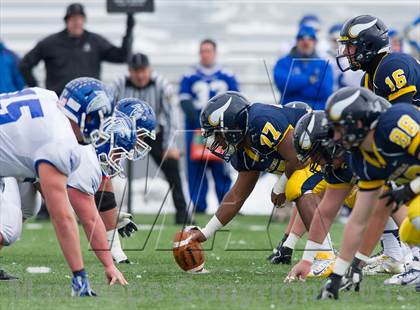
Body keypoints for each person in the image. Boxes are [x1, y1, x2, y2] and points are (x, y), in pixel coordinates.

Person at [0, 78, 128, 294]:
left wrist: (108, 263)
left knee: (29, 204)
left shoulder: (49, 96)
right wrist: (79, 274)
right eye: (98, 116)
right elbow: (64, 216)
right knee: (8, 228)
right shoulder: (60, 141)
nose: (100, 124)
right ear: (81, 112)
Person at [188, 92, 335, 274]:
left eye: (217, 134)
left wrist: (279, 186)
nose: (217, 142)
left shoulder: (260, 121)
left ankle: (326, 256)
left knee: (296, 186)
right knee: (298, 187)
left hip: (332, 156)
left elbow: (299, 158)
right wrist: (206, 232)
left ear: (230, 125)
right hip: (319, 164)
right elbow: (237, 196)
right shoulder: (242, 148)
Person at [317, 87, 420, 299]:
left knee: (417, 216)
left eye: (340, 128)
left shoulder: (395, 124)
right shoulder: (362, 158)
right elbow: (359, 219)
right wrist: (341, 273)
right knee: (409, 231)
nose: (336, 136)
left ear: (359, 122)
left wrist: (410, 189)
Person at [111, 53, 194, 225]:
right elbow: (109, 108)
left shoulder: (161, 85)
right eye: (136, 71)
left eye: (143, 71)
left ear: (149, 70)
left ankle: (182, 213)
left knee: (172, 169)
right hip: (125, 132)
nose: (140, 75)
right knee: (105, 167)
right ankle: (98, 209)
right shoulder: (119, 83)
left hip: (154, 132)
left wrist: (168, 145)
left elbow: (172, 116)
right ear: (129, 71)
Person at [19, 2, 134, 95]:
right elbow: (25, 65)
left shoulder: (95, 41)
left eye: (80, 19)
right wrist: (38, 90)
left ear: (84, 21)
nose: (77, 22)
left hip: (90, 101)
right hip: (60, 102)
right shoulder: (50, 43)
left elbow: (122, 57)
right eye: (73, 19)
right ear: (67, 21)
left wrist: (129, 29)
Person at [179, 39, 239, 213]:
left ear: (215, 53)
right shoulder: (190, 76)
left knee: (222, 167)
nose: (205, 54)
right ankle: (198, 204)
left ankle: (227, 204)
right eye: (203, 51)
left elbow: (236, 100)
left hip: (221, 131)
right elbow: (184, 101)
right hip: (196, 128)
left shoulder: (227, 75)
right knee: (196, 168)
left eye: (209, 51)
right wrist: (202, 122)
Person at [336, 15, 419, 106]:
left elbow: (401, 115)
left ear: (368, 45)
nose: (344, 52)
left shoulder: (392, 67)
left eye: (350, 45)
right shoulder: (367, 80)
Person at [273, 26, 333, 110]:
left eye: (310, 39)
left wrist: (295, 90)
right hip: (289, 111)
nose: (306, 43)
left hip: (316, 112)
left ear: (315, 42)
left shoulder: (324, 65)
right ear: (296, 41)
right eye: (302, 39)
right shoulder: (283, 62)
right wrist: (308, 80)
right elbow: (283, 85)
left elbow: (325, 91)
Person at [326, 24, 363, 91]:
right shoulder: (323, 57)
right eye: (334, 41)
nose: (337, 45)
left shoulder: (354, 60)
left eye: (342, 43)